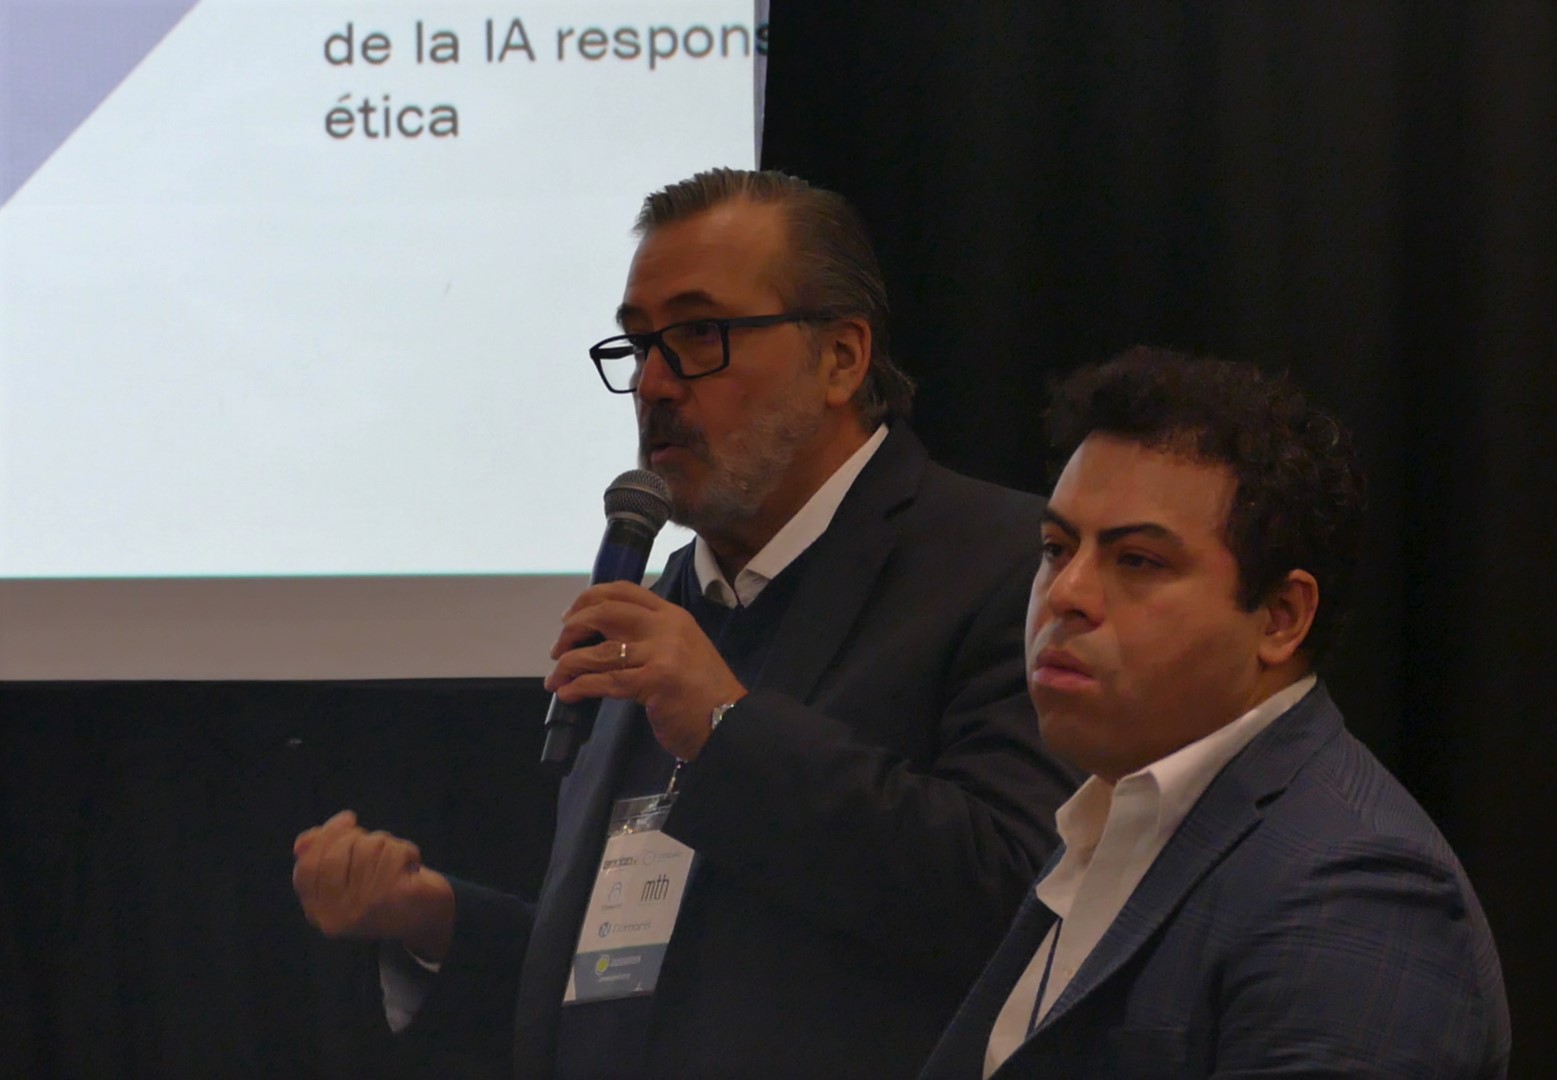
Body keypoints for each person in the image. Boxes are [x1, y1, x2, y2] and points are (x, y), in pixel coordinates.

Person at [292, 168, 1077, 1079]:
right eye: (637, 345)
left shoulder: (1005, 566)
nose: (654, 382)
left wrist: (727, 728)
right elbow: (630, 975)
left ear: (841, 358)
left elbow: (1019, 902)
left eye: (699, 335)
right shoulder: (659, 601)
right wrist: (435, 921)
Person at [920, 348, 1511, 1079]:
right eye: (1055, 547)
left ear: (1280, 617)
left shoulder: (1355, 890)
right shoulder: (1120, 813)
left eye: (1137, 560)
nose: (1065, 593)